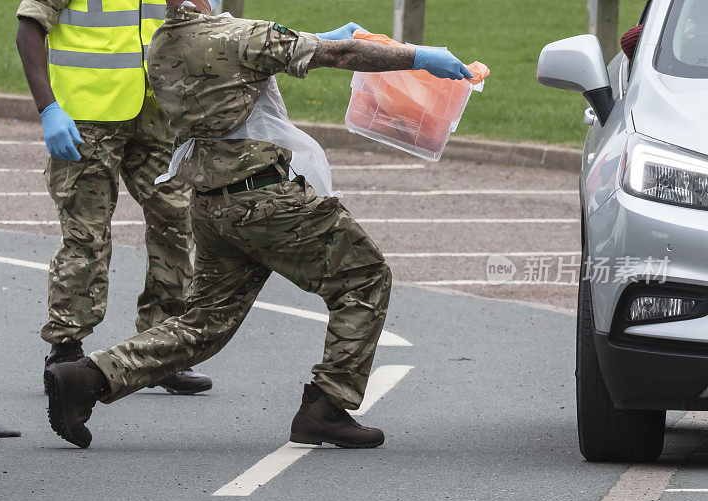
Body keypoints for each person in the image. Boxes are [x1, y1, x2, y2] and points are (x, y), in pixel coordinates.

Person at [44, 0, 473, 449]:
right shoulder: (239, 36)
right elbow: (333, 56)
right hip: (266, 200)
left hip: (212, 204)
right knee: (365, 277)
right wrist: (418, 57)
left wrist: (323, 37)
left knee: (203, 326)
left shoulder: (163, 45)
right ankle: (328, 405)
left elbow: (253, 54)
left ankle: (86, 377)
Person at [14, 0, 212, 394]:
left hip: (158, 114)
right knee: (87, 236)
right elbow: (29, 29)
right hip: (86, 120)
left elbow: (204, 29)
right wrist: (47, 108)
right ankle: (66, 350)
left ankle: (163, 349)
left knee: (177, 223)